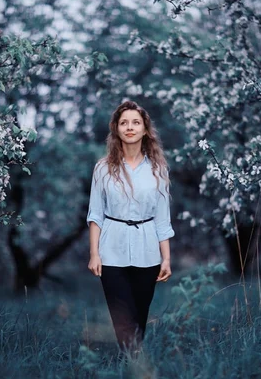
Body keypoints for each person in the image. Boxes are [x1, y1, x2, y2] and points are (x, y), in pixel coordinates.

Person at [87, 100, 174, 354]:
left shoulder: (158, 169)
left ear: (145, 129)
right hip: (111, 251)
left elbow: (162, 218)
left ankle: (133, 363)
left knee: (140, 316)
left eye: (136, 122)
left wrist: (166, 258)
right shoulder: (103, 169)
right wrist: (94, 253)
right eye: (124, 123)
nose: (130, 127)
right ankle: (132, 362)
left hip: (148, 252)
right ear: (117, 129)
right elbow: (95, 214)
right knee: (122, 318)